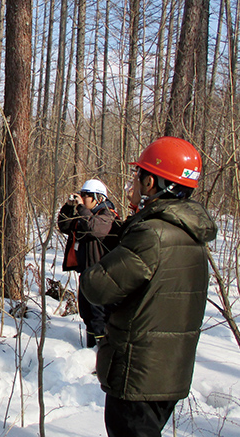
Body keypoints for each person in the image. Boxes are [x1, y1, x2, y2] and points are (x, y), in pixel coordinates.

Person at [80, 137, 217, 437]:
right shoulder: (191, 235)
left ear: (152, 182)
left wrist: (112, 247)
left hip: (137, 374)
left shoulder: (152, 234)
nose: (134, 183)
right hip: (169, 372)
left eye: (138, 176)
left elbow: (97, 287)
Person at [57, 179, 120, 348]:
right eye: (82, 195)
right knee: (87, 313)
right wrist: (69, 207)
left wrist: (81, 208)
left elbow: (94, 228)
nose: (83, 199)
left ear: (98, 198)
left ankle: (101, 352)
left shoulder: (107, 214)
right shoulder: (83, 214)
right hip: (86, 273)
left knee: (99, 315)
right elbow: (64, 226)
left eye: (86, 196)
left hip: (102, 275)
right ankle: (90, 348)